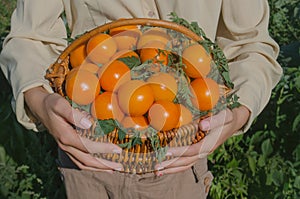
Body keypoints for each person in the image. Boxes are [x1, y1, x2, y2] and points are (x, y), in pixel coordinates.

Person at [0, 0, 282, 198]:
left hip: (179, 159)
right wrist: (39, 100)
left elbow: (252, 45)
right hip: (88, 154)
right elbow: (29, 36)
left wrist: (238, 115)